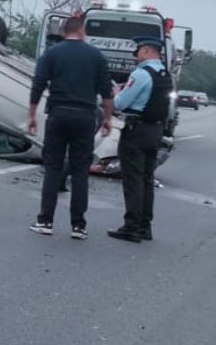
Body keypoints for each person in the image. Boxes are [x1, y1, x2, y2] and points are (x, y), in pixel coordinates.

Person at [28, 16, 113, 239]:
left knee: (53, 168)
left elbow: (38, 83)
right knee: (79, 171)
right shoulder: (96, 56)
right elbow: (106, 91)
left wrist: (32, 115)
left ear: (65, 31)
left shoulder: (52, 53)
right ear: (82, 31)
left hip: (58, 114)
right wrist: (108, 118)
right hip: (85, 117)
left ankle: (45, 221)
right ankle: (78, 226)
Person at [107, 37, 174, 243]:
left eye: (137, 51)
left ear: (146, 50)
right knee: (146, 179)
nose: (136, 56)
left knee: (133, 180)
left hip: (136, 130)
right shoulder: (165, 75)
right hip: (155, 131)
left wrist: (118, 92)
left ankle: (132, 226)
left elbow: (120, 104)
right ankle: (145, 225)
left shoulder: (141, 74)